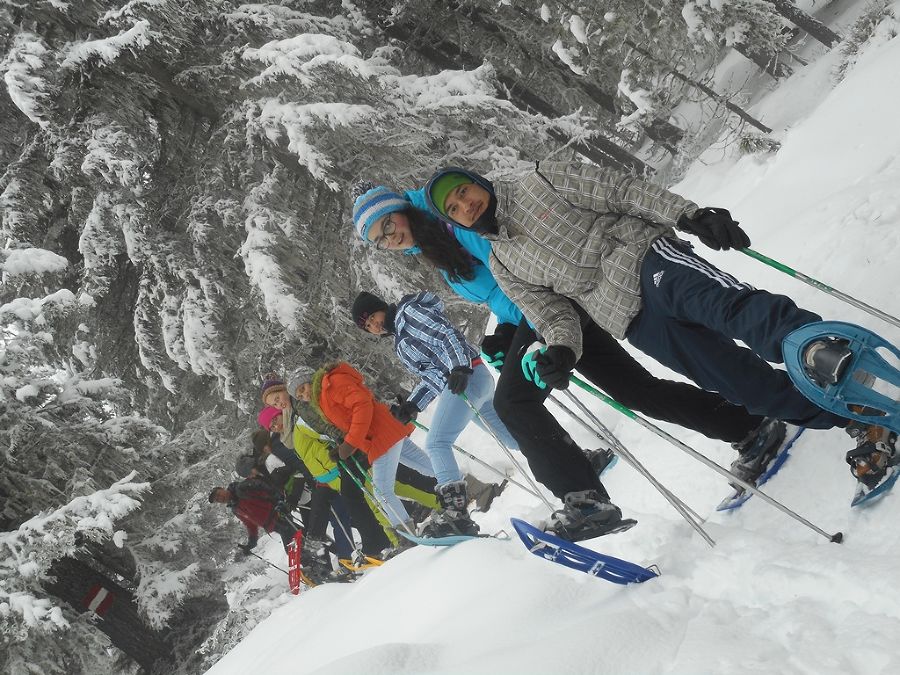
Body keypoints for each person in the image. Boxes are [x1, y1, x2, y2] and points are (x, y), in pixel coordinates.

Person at [420, 163, 898, 499]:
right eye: (455, 207)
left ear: (478, 182)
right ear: (454, 220)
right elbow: (550, 314)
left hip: (649, 262)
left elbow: (621, 190)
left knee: (728, 308)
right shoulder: (504, 262)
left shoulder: (541, 181)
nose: (466, 203)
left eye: (465, 191)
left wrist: (688, 214)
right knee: (731, 380)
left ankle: (820, 351)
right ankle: (859, 417)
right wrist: (562, 351)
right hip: (629, 318)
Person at [351, 289, 514, 536]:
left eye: (374, 317)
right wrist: (413, 405)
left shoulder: (408, 314)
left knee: (437, 444)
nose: (375, 325)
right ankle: (564, 456)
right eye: (369, 326)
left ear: (383, 308)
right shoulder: (400, 337)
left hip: (467, 377)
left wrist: (459, 366)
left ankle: (456, 514)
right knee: (509, 436)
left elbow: (445, 335)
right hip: (472, 379)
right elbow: (433, 376)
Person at [293, 361, 441, 543]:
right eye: (300, 395)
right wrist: (344, 446)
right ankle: (458, 487)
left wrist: (350, 443)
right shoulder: (322, 397)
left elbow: (362, 405)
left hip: (379, 436)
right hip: (383, 432)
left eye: (303, 387)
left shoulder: (330, 385)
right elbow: (349, 419)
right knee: (421, 464)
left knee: (382, 491)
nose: (304, 394)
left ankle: (408, 537)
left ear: (310, 379)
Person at [208, 478, 332, 582]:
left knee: (293, 550)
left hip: (278, 515)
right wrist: (251, 542)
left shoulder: (242, 487)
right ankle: (329, 554)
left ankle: (320, 570)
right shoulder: (235, 508)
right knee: (304, 538)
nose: (220, 498)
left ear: (222, 489)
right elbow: (250, 524)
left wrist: (278, 499)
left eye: (219, 494)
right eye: (218, 500)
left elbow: (264, 486)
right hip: (273, 525)